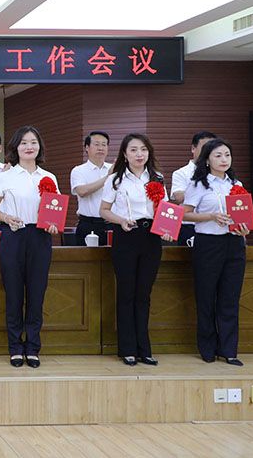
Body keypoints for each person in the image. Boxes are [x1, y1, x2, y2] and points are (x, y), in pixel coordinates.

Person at [0, 126, 58, 368]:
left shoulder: (49, 177)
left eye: (33, 142)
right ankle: (15, 347)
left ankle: (33, 347)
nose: (29, 147)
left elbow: (55, 210)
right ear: (16, 148)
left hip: (40, 238)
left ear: (39, 147)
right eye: (24, 143)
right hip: (14, 236)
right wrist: (7, 217)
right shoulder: (6, 176)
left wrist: (53, 225)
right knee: (14, 294)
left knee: (37, 294)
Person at [99, 133, 172, 367]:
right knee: (127, 293)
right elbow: (104, 210)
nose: (139, 154)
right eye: (133, 150)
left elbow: (165, 210)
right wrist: (121, 220)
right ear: (124, 154)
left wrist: (167, 229)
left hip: (151, 237)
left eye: (143, 149)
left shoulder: (157, 178)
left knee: (144, 294)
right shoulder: (115, 180)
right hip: (126, 235)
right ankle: (127, 349)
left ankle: (144, 349)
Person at [182, 138, 249, 367]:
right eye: (218, 155)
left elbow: (243, 215)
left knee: (230, 298)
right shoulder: (198, 184)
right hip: (208, 244)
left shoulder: (236, 184)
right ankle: (207, 348)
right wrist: (211, 216)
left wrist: (245, 228)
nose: (224, 159)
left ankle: (229, 350)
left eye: (227, 155)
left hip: (235, 244)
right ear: (207, 159)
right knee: (206, 296)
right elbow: (184, 214)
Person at [171, 131, 217, 245]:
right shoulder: (181, 173)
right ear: (193, 148)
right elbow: (178, 197)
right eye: (205, 147)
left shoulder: (219, 173)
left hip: (216, 227)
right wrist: (201, 191)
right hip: (189, 226)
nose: (208, 151)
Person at [71, 131, 112, 246]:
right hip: (89, 224)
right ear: (87, 147)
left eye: (104, 144)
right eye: (96, 144)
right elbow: (82, 191)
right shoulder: (78, 170)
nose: (101, 148)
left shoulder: (114, 169)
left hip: (112, 224)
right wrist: (108, 177)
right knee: (87, 257)